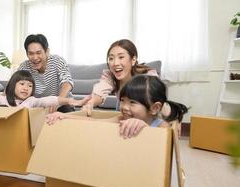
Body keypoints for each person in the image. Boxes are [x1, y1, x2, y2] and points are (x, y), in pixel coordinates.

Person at [46, 75, 188, 138]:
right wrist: (64, 116)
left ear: (155, 108)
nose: (124, 107)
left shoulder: (161, 126)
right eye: (123, 100)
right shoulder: (122, 119)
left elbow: (167, 144)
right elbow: (94, 122)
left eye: (132, 102)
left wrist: (144, 128)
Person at [83, 39, 160, 116]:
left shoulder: (148, 76)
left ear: (133, 60)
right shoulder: (110, 76)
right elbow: (99, 92)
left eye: (121, 57)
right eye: (111, 58)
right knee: (121, 104)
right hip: (124, 109)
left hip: (147, 112)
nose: (115, 63)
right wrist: (91, 103)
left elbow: (154, 102)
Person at [18, 34, 74, 113]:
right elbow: (12, 85)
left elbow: (67, 82)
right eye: (31, 53)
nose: (35, 57)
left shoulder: (57, 61)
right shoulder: (24, 66)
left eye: (38, 53)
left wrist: (58, 102)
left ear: (47, 51)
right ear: (27, 54)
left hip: (61, 103)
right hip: (38, 105)